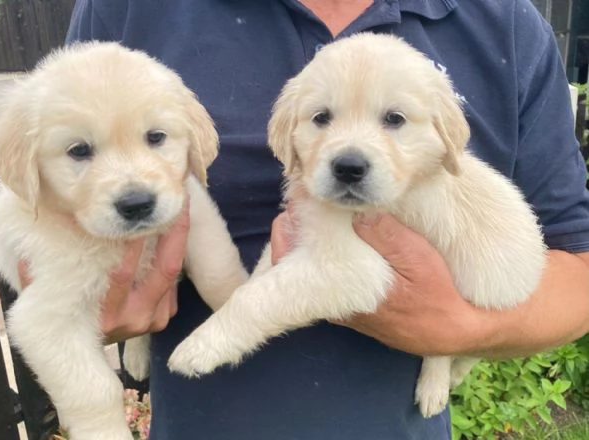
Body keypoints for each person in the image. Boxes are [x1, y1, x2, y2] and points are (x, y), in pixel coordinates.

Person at [60, 1, 589, 439]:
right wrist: (85, 297)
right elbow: (57, 175)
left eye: (394, 119)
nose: (350, 152)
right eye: (321, 119)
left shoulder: (505, 25)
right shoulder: (127, 10)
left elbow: (576, 262)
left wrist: (464, 333)